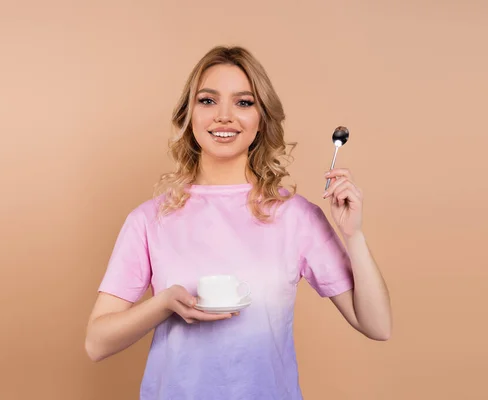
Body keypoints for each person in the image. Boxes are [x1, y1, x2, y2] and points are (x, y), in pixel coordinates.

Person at [85, 45, 392, 400]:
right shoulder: (149, 219)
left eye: (244, 103)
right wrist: (164, 303)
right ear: (188, 115)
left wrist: (352, 235)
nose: (224, 116)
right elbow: (97, 343)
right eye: (208, 100)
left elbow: (378, 326)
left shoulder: (297, 216)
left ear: (262, 118)